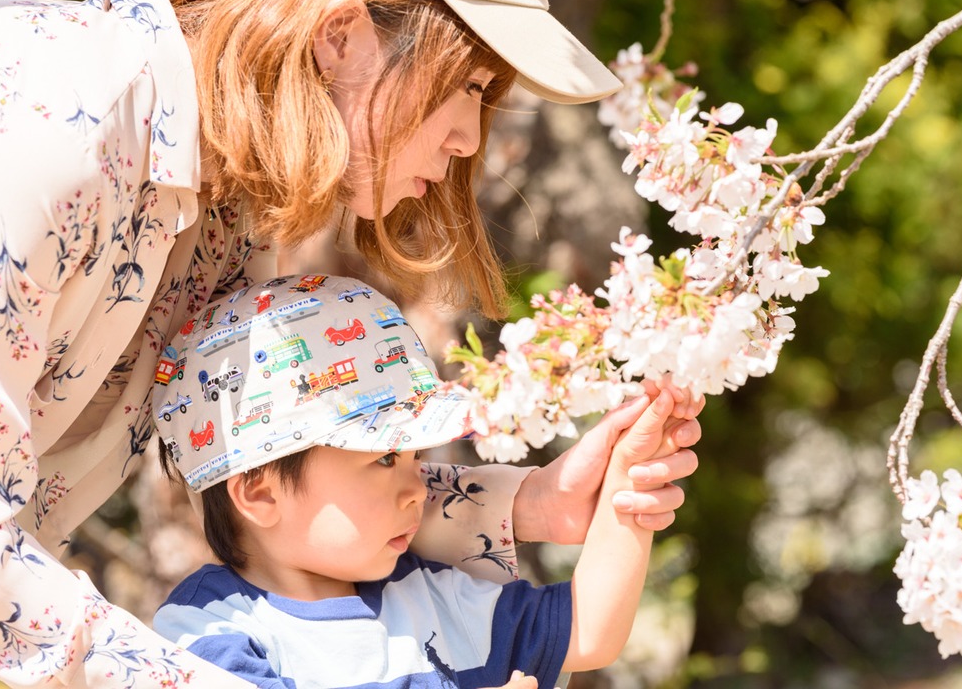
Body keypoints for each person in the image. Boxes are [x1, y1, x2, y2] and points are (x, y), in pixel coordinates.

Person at [0, 0, 703, 686]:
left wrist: (533, 505)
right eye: (467, 85)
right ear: (341, 35)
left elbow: (308, 478)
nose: (470, 138)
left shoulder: (223, 205)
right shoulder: (54, 124)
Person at [151, 275, 676, 689]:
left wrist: (627, 483)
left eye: (416, 457)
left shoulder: (426, 592)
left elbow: (589, 630)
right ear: (262, 492)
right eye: (383, 460)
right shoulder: (210, 629)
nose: (419, 487)